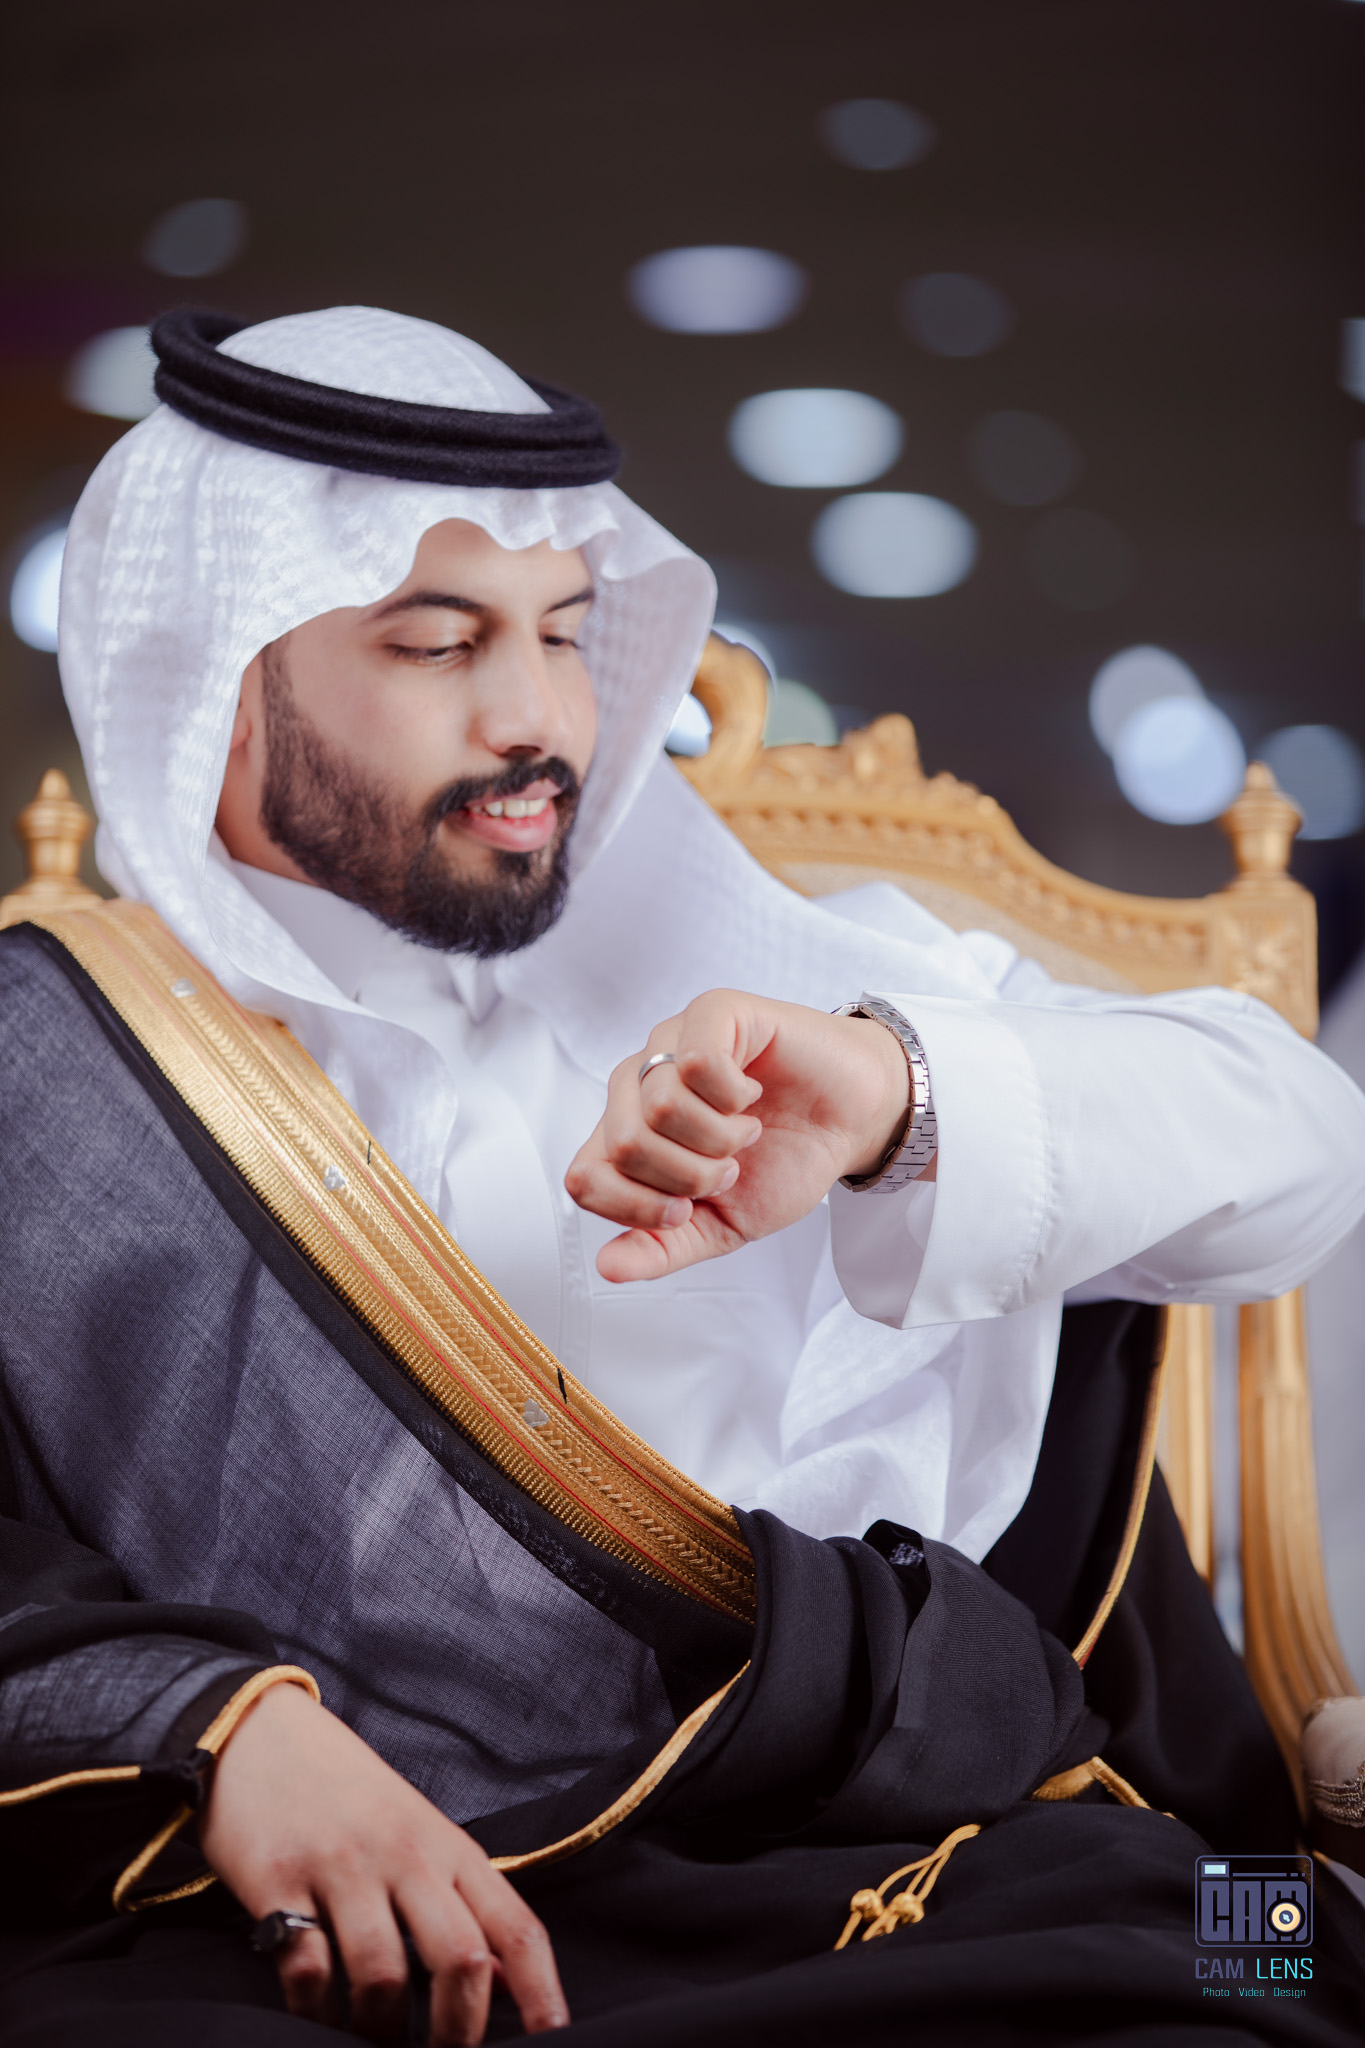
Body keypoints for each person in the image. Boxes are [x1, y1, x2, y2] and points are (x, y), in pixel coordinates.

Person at [1, 304, 1364, 2046]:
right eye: (437, 642)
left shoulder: (822, 967)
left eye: (567, 634)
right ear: (215, 672)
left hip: (956, 1872)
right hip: (382, 1926)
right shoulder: (65, 1073)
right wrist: (219, 1723)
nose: (536, 718)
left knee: (1257, 1967)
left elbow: (1303, 1147)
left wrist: (896, 1098)